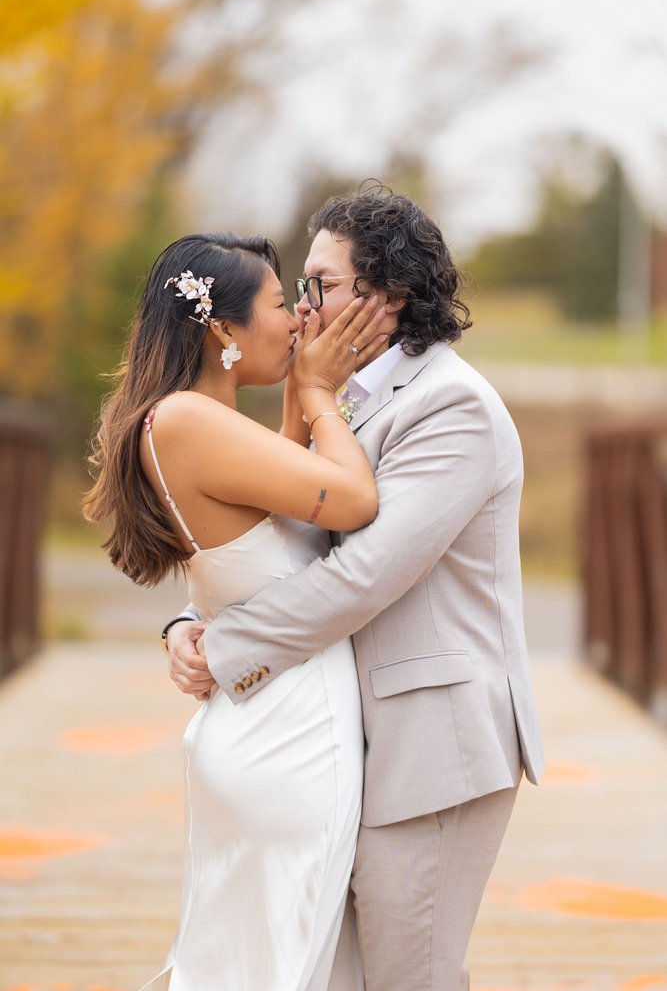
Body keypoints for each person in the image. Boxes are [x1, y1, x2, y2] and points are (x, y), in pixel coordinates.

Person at [166, 184, 545, 991]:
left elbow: (364, 575)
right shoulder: (345, 402)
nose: (302, 307)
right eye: (299, 287)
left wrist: (228, 648)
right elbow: (280, 545)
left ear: (389, 296)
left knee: (411, 976)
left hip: (430, 745)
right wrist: (188, 620)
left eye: (321, 284)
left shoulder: (450, 408)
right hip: (344, 743)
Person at [83, 230, 391, 990]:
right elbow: (353, 501)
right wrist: (319, 394)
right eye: (282, 305)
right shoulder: (188, 421)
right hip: (289, 735)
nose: (297, 320)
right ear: (223, 329)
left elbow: (261, 537)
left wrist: (183, 627)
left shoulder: (186, 420)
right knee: (281, 968)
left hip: (262, 726)